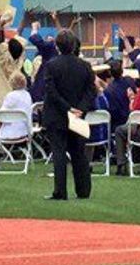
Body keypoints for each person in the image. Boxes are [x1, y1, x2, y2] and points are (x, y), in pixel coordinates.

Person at [40, 29, 97, 199]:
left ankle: (60, 191)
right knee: (79, 152)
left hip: (57, 114)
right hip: (78, 115)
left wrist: (67, 108)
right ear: (73, 46)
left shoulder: (51, 65)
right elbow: (91, 91)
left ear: (57, 46)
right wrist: (81, 108)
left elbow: (51, 91)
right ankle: (83, 190)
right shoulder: (85, 66)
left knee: (59, 153)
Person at [0, 71, 35, 173]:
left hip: (12, 132)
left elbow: (2, 114)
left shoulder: (11, 96)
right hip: (26, 131)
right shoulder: (27, 95)